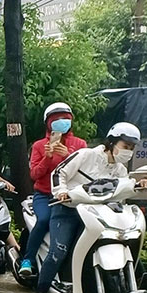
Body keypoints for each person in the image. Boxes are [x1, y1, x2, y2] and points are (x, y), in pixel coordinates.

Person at [34, 122, 147, 293]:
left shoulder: (120, 170)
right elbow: (59, 173)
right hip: (68, 210)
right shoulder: (86, 155)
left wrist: (138, 186)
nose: (128, 151)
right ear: (112, 142)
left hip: (96, 215)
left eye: (131, 148)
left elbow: (121, 192)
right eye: (125, 146)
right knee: (59, 251)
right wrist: (62, 192)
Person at [19, 102, 87, 277]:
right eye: (57, 120)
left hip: (71, 196)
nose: (62, 122)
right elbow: (34, 174)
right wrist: (47, 158)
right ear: (49, 123)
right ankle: (28, 260)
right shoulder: (39, 146)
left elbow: (86, 172)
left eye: (65, 119)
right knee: (43, 221)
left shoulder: (80, 145)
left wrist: (68, 156)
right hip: (45, 195)